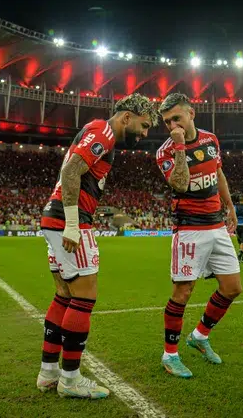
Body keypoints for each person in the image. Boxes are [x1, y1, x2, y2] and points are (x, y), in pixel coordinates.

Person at [36, 93, 158, 399]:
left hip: (55, 219)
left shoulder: (97, 132)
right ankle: (70, 379)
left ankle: (48, 373)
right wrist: (74, 224)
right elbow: (70, 171)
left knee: (64, 295)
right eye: (143, 126)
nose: (144, 135)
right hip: (68, 221)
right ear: (127, 117)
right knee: (84, 297)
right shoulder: (103, 131)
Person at [155, 93, 240, 378]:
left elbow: (218, 175)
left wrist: (229, 206)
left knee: (232, 287)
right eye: (167, 122)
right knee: (183, 292)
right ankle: (170, 355)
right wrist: (179, 145)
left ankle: (200, 336)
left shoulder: (211, 140)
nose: (171, 125)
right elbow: (179, 184)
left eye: (176, 118)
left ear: (191, 114)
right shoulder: (166, 151)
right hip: (189, 227)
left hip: (216, 224)